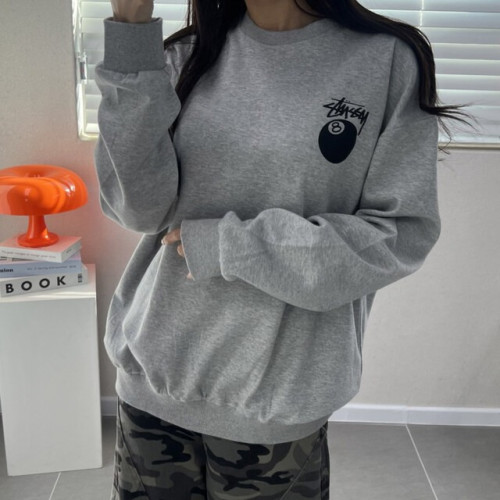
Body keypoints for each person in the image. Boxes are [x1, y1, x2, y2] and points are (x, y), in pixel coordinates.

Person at [94, 1, 471, 498]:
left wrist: (234, 245)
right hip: (154, 380)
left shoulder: (386, 60)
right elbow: (138, 208)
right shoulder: (183, 55)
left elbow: (398, 234)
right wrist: (130, 30)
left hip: (277, 399)